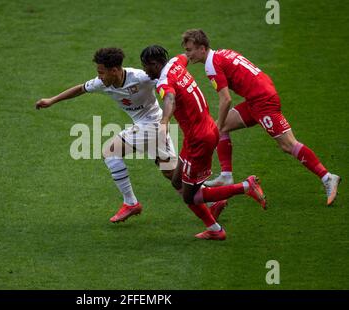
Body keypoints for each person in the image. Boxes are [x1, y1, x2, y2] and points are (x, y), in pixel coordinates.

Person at [181, 29, 341, 206]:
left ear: (202, 48)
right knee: (224, 125)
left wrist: (216, 129)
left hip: (263, 101)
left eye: (189, 50)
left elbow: (226, 100)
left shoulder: (211, 65)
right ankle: (226, 176)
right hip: (256, 98)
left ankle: (327, 177)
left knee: (288, 144)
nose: (187, 54)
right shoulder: (222, 53)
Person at [36, 47, 178, 223]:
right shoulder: (102, 83)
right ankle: (212, 199)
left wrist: (167, 118)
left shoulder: (140, 78)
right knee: (173, 176)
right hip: (147, 128)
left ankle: (130, 203)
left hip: (154, 126)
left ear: (115, 70)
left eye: (101, 72)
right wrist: (51, 100)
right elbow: (80, 89)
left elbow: (168, 88)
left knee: (110, 152)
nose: (99, 76)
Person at [140, 45, 266, 240]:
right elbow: (184, 56)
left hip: (200, 140)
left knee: (190, 196)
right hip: (201, 132)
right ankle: (215, 228)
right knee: (176, 181)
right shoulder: (176, 62)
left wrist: (164, 122)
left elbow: (170, 99)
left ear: (155, 64)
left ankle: (246, 187)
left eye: (146, 66)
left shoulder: (164, 82)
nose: (144, 71)